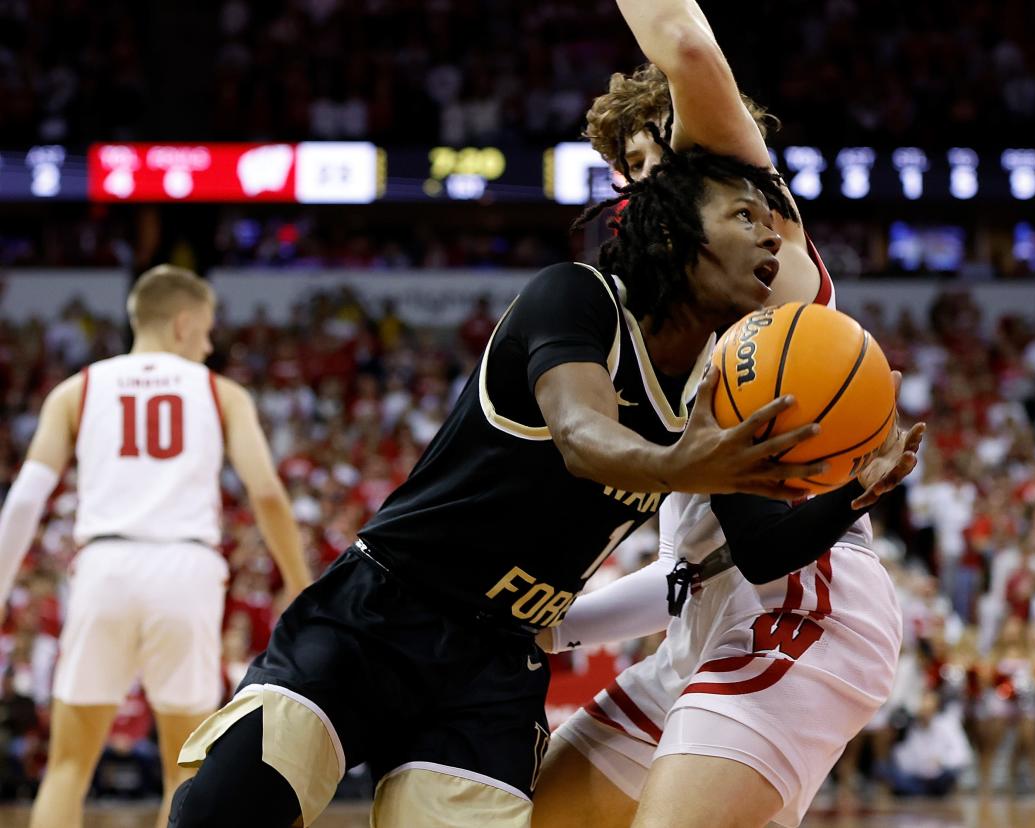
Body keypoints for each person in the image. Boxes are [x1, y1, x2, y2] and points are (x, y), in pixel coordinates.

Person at [169, 144, 870, 828]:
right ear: (670, 230)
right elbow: (580, 435)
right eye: (743, 216)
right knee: (222, 811)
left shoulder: (717, 391)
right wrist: (679, 467)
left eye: (770, 220)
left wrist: (855, 491)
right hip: (382, 611)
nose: (769, 234)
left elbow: (761, 551)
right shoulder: (576, 296)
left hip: (496, 665)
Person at [530, 3, 917, 826]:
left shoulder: (762, 250)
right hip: (712, 621)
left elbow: (690, 47)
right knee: (545, 815)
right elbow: (694, 571)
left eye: (644, 158)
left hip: (802, 603)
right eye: (619, 172)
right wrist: (558, 625)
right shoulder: (678, 322)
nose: (629, 188)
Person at [0, 265, 312, 828]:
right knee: (185, 768)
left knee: (68, 765)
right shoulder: (222, 393)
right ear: (183, 323)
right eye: (209, 330)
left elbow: (24, 502)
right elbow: (265, 492)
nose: (211, 343)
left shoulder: (76, 389)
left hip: (105, 566)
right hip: (185, 568)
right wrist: (297, 580)